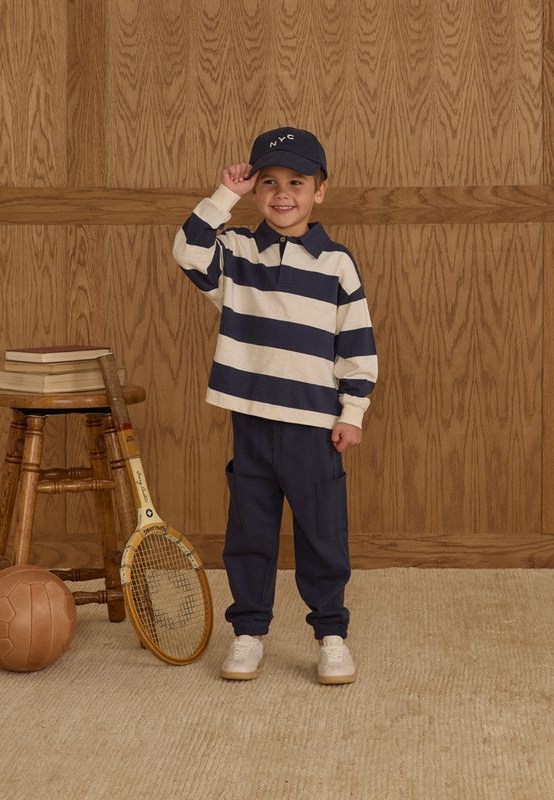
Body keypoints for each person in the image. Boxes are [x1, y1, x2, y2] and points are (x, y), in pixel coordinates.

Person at [172, 127, 377, 684]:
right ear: (254, 190)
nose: (282, 194)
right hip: (252, 420)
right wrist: (225, 194)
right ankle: (249, 632)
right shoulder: (237, 253)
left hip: (313, 426)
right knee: (250, 533)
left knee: (322, 533)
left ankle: (331, 634)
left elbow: (356, 341)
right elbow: (187, 249)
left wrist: (352, 412)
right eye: (268, 183)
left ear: (320, 191)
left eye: (296, 183)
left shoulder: (337, 263)